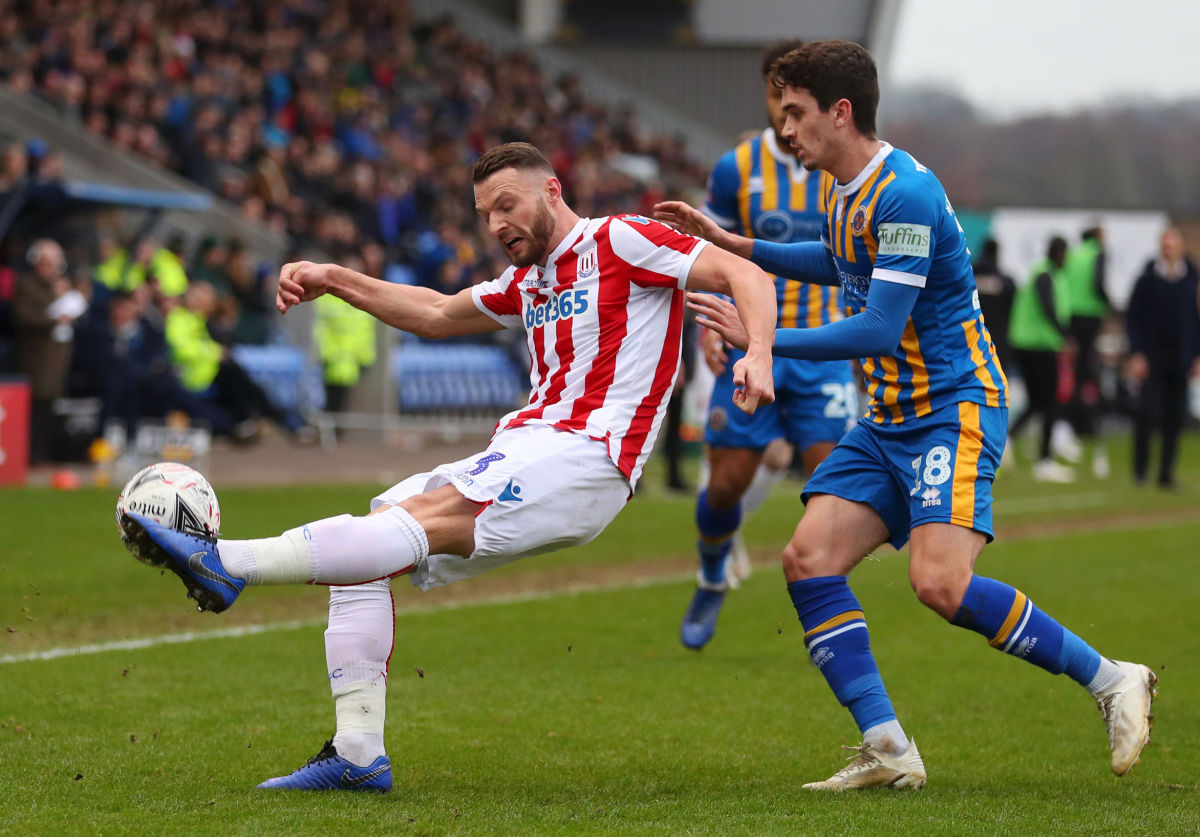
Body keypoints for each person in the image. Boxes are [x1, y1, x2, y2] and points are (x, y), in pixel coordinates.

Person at [119, 142, 778, 792]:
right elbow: (435, 313)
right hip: (530, 442)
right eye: (485, 212)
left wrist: (760, 355)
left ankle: (226, 562)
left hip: (593, 452)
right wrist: (334, 279)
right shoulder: (530, 281)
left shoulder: (623, 239)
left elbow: (744, 276)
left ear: (552, 192)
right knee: (377, 533)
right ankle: (357, 751)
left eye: (507, 204)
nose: (496, 224)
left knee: (431, 515)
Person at [655, 39, 1156, 790]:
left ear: (840, 112)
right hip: (891, 418)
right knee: (808, 560)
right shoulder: (840, 186)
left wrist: (763, 338)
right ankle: (887, 746)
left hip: (953, 410)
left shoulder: (904, 194)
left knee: (939, 584)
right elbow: (838, 262)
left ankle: (1115, 679)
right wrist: (736, 244)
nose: (784, 129)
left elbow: (879, 326)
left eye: (796, 114)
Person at [680, 38, 855, 650]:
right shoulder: (736, 168)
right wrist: (710, 325)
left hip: (822, 352)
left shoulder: (843, 168)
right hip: (747, 343)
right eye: (777, 93)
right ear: (767, 93)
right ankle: (710, 572)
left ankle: (829, 621)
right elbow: (709, 253)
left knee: (832, 488)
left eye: (796, 95)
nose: (786, 109)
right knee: (725, 485)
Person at [1125, 226, 1200, 489]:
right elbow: (1133, 317)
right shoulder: (1147, 278)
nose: (1168, 250)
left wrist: (1196, 356)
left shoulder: (1191, 278)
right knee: (1146, 413)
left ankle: (1166, 474)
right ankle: (1140, 472)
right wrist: (1137, 353)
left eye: (1172, 245)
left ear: (1180, 248)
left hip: (1180, 358)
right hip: (1151, 356)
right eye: (1164, 245)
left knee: (1173, 417)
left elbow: (1196, 320)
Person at [1008, 236, 1075, 483]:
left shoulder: (1048, 273)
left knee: (1037, 402)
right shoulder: (1045, 274)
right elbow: (1047, 305)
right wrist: (1064, 335)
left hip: (1030, 344)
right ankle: (1044, 461)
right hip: (1038, 345)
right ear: (1058, 253)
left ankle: (1008, 439)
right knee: (1049, 402)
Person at [1063, 226, 1110, 476]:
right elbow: (1098, 282)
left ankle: (1071, 425)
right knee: (1090, 373)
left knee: (1074, 373)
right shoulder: (1097, 253)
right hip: (1090, 316)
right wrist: (1107, 302)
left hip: (1071, 315)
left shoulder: (1074, 253)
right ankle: (1088, 425)